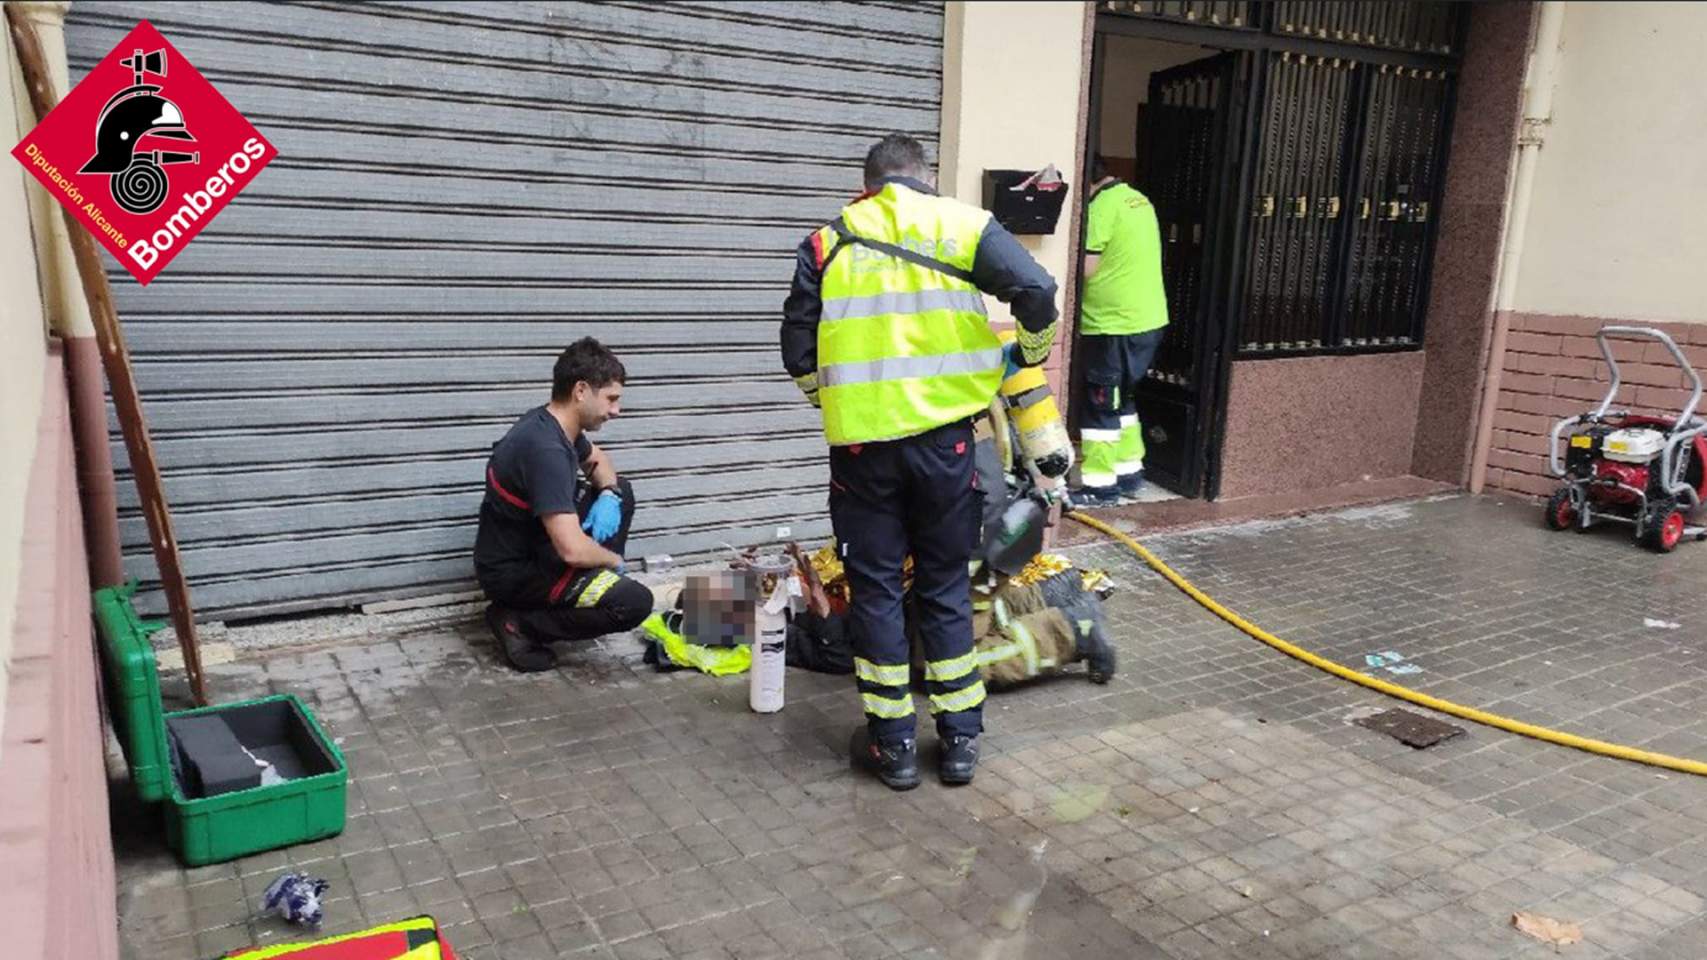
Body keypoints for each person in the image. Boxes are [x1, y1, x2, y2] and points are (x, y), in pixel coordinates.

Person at [781, 133, 1060, 790]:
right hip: (947, 449)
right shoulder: (962, 225)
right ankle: (960, 743)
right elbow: (1037, 289)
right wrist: (1031, 351)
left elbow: (797, 350)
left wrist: (839, 401)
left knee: (876, 592)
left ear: (867, 185)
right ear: (924, 178)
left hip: (862, 455)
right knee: (944, 589)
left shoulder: (827, 243)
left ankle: (894, 748)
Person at [473, 337, 654, 672]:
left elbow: (599, 462)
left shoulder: (554, 425)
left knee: (621, 491)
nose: (616, 410)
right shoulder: (546, 451)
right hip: (518, 572)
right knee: (634, 603)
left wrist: (610, 495)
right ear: (581, 391)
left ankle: (586, 587)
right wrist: (612, 560)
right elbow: (571, 549)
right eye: (611, 399)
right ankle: (520, 623)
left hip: (539, 545)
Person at [1075, 155, 1170, 506]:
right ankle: (1129, 471)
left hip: (1112, 323)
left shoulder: (1101, 206)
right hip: (1147, 319)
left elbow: (1086, 267)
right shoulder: (1138, 200)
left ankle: (1100, 486)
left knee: (1101, 403)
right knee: (1123, 397)